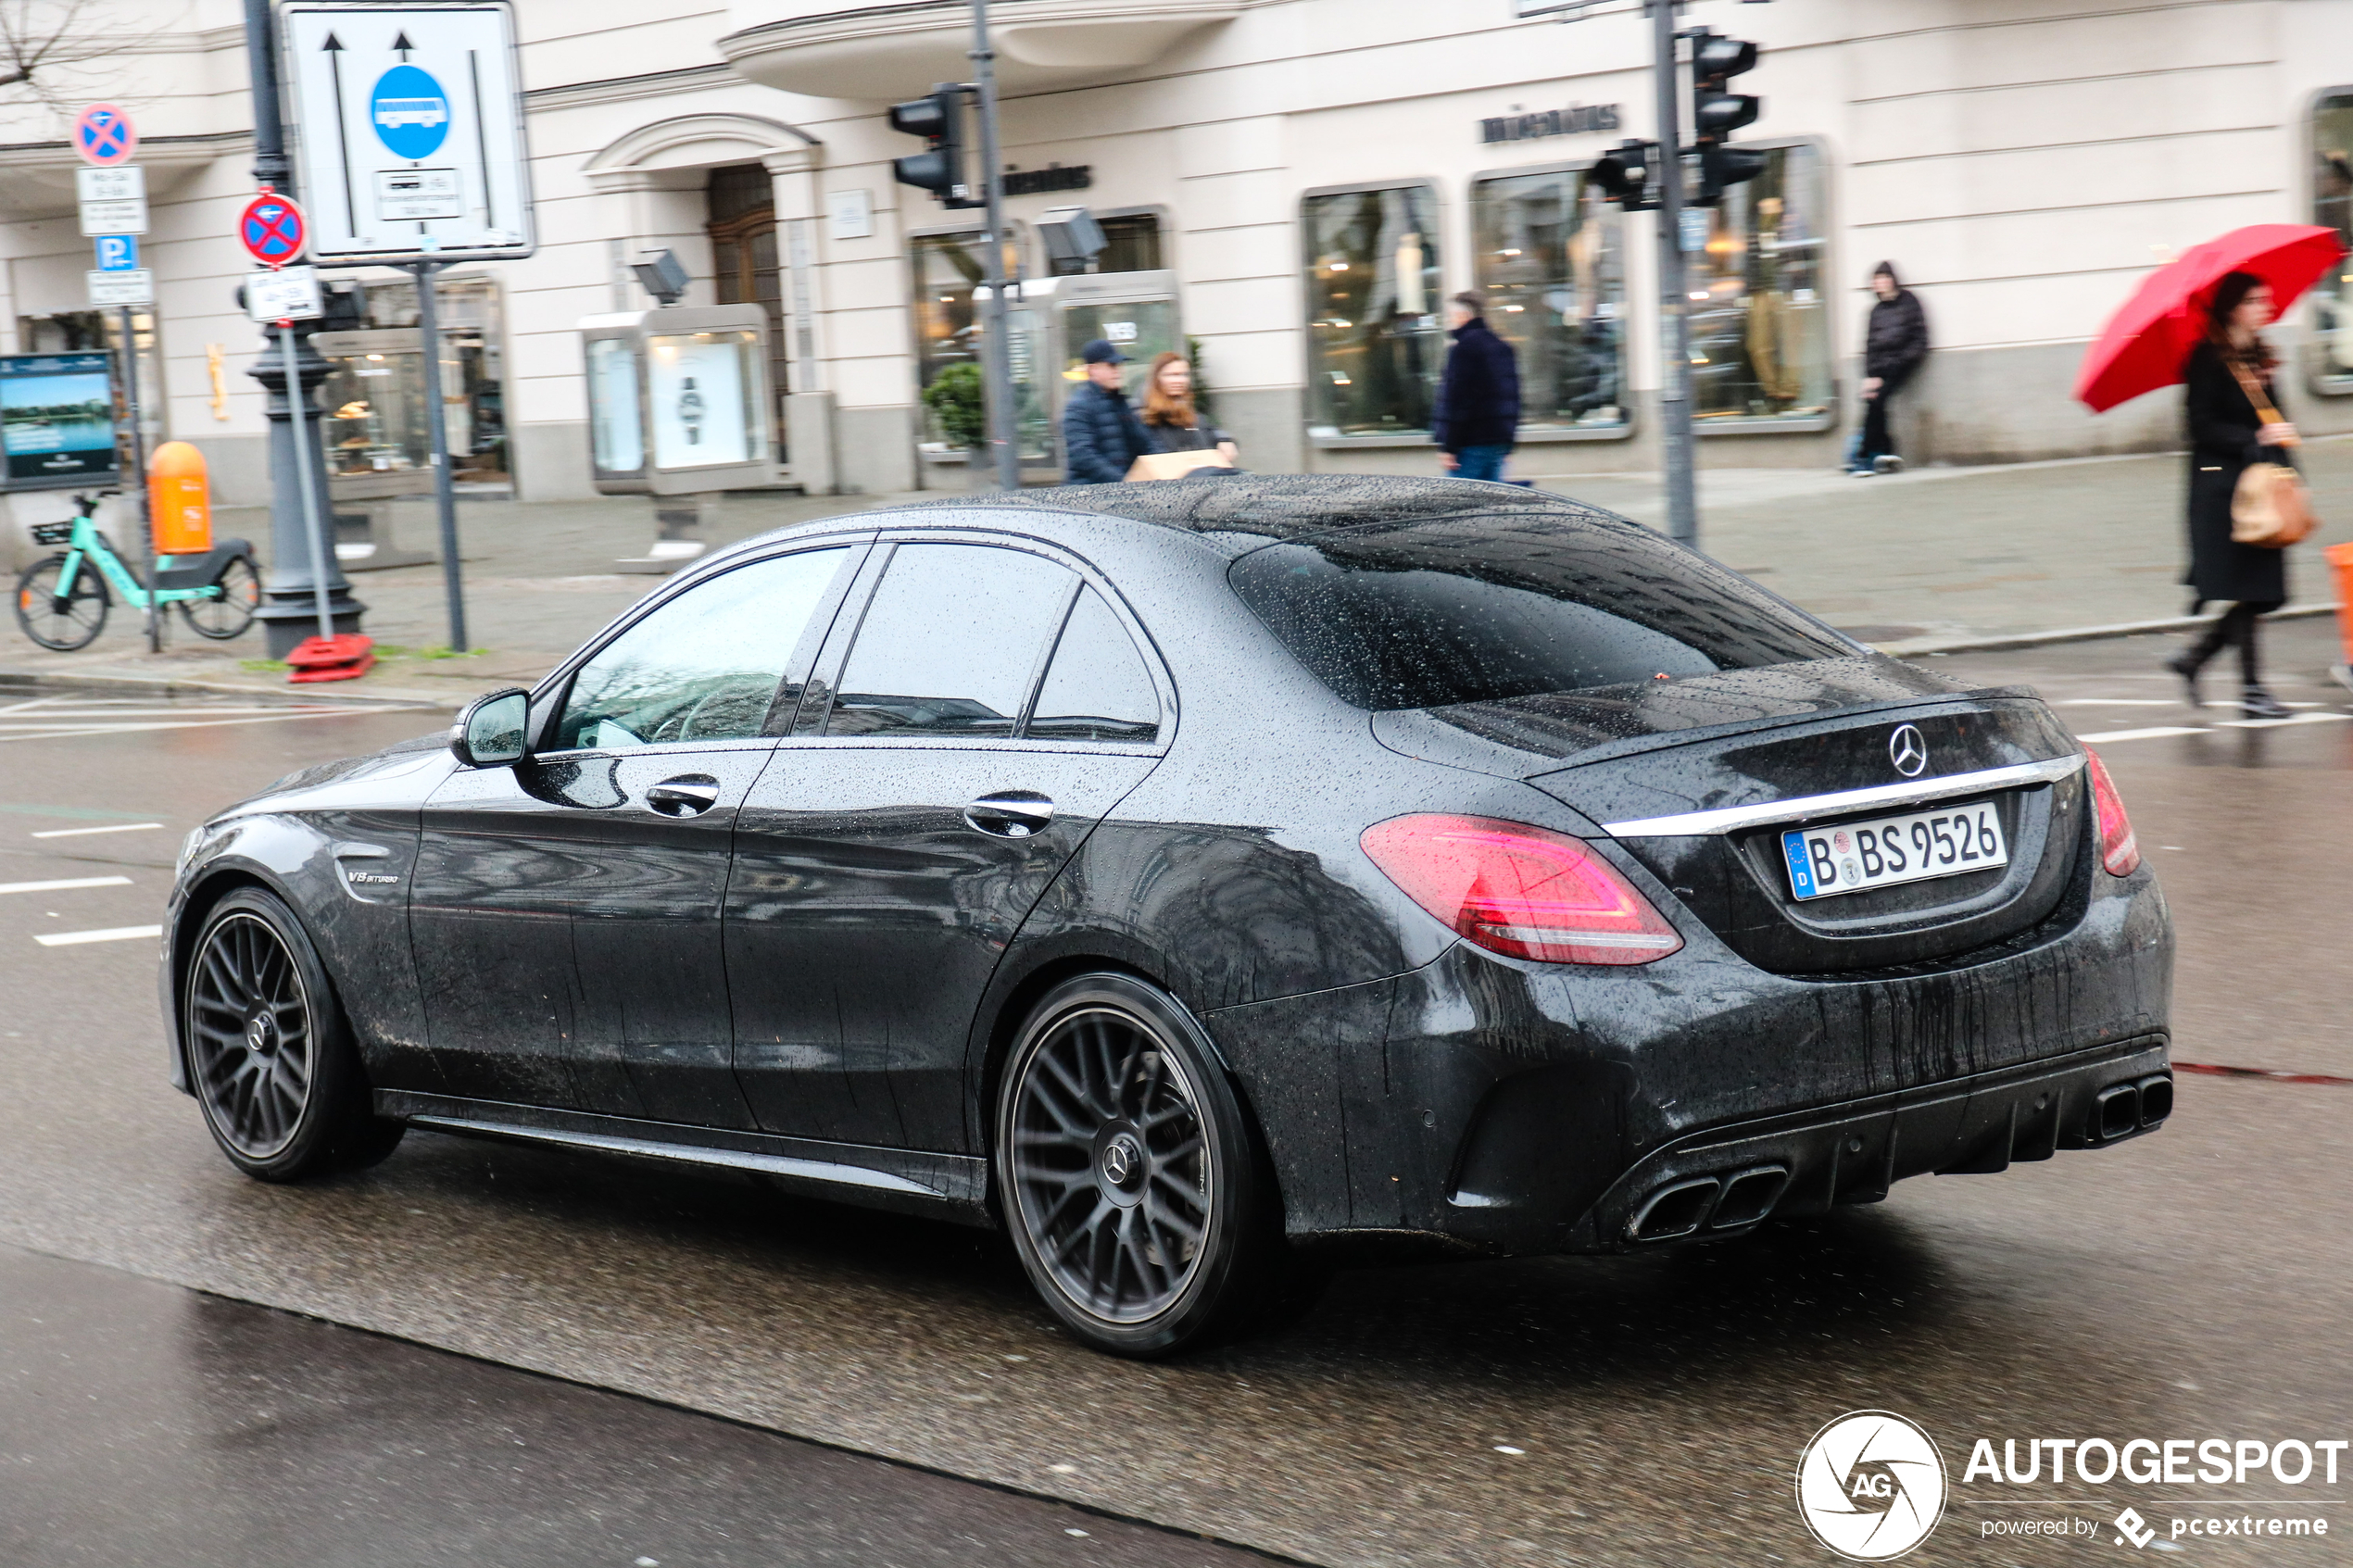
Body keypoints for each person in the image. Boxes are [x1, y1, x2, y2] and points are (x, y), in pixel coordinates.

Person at [2166, 270, 2297, 720]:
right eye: (2257, 300)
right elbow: (2199, 426)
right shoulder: (2207, 358)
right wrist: (2254, 436)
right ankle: (2252, 691)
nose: (2266, 306)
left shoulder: (2257, 356)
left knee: (2264, 593)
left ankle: (2194, 661)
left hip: (2264, 489)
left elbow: (2275, 417)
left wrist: (2285, 452)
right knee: (2252, 588)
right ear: (2234, 307)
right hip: (2225, 492)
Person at [1432, 291, 1519, 483]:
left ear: (1463, 315)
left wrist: (1449, 447)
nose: (1448, 320)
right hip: (1498, 441)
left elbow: (1458, 401)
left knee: (1459, 505)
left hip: (1470, 444)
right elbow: (1513, 399)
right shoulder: (1502, 347)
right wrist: (1508, 442)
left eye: (1450, 315)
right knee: (1489, 505)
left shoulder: (1463, 349)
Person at [1852, 262, 1929, 476]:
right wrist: (1870, 376)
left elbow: (1920, 338)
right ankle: (1887, 452)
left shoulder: (1909, 302)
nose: (1880, 283)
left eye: (1884, 278)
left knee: (1877, 399)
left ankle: (1863, 456)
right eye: (1876, 280)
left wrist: (1900, 360)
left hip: (1903, 362)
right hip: (1881, 367)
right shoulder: (1875, 311)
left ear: (1893, 280)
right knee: (1873, 400)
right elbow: (1869, 346)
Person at [1060, 339, 1155, 484]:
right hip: (1089, 495)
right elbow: (1083, 456)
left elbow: (1145, 443)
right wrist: (1123, 482)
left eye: (1118, 365)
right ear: (1092, 370)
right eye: (1111, 366)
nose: (1118, 371)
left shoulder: (1121, 403)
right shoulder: (1078, 406)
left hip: (1119, 491)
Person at [1139, 351, 1238, 464]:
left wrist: (1224, 440)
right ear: (1156, 379)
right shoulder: (1142, 414)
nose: (1180, 381)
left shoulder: (1189, 411)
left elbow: (1211, 431)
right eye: (1171, 375)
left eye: (1184, 375)